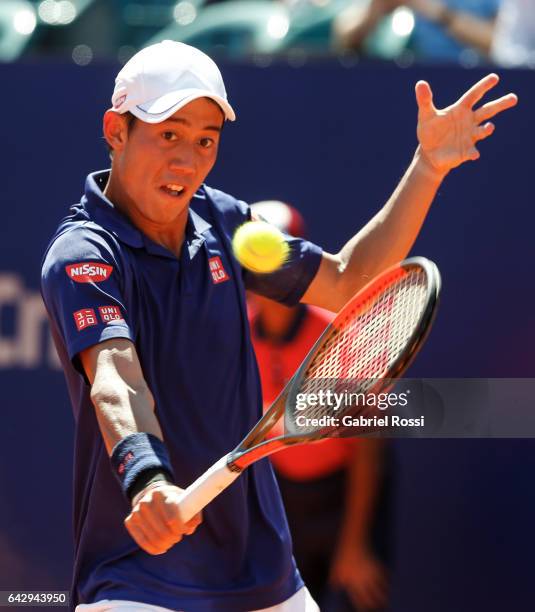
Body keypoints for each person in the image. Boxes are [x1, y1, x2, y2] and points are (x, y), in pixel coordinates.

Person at [40, 39, 516, 611]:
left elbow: (346, 279)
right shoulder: (83, 254)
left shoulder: (225, 225)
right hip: (140, 581)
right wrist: (148, 480)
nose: (187, 161)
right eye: (169, 133)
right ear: (116, 130)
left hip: (266, 576)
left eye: (205, 140)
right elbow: (116, 378)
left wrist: (429, 166)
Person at [248, 201, 390, 612]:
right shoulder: (235, 331)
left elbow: (368, 450)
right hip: (283, 499)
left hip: (347, 496)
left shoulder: (337, 335)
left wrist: (354, 545)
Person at [333, 0, 499, 62]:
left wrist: (440, 14)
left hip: (471, 88)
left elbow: (500, 44)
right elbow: (345, 37)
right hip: (412, 87)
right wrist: (375, 8)